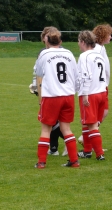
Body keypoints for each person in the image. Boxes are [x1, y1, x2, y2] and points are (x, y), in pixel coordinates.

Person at [34, 26, 80, 168]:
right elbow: (76, 75)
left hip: (52, 96)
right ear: (60, 40)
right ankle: (74, 160)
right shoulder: (69, 53)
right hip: (68, 95)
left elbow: (39, 74)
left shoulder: (44, 54)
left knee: (45, 129)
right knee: (66, 128)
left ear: (46, 39)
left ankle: (41, 162)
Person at [29, 26, 67, 157]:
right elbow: (37, 72)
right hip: (46, 89)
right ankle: (54, 148)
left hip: (54, 92)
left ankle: (65, 143)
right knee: (52, 121)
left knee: (52, 121)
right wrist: (34, 85)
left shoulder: (59, 52)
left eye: (49, 35)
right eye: (46, 35)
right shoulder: (42, 52)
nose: (47, 37)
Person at [78, 24, 112, 152]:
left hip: (102, 87)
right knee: (98, 115)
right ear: (103, 35)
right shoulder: (96, 49)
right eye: (109, 34)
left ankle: (90, 138)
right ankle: (90, 140)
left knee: (102, 113)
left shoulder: (101, 48)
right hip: (97, 88)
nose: (110, 36)